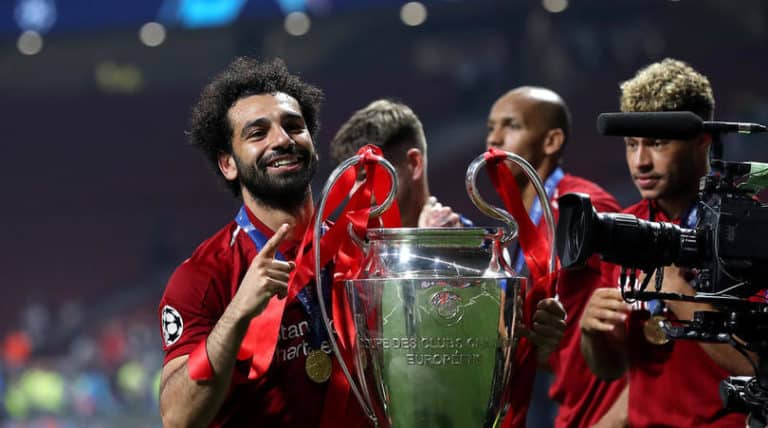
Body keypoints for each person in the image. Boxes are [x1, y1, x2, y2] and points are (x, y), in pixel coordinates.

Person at [157, 57, 365, 427]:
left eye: (293, 126)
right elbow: (177, 417)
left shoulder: (360, 250)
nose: (282, 140)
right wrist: (237, 314)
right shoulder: (203, 277)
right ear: (228, 164)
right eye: (257, 133)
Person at [580, 58, 754, 427]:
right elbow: (614, 370)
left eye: (656, 143)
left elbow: (755, 365)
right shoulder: (623, 228)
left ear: (702, 141)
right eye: (631, 144)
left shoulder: (748, 228)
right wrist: (592, 333)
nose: (640, 162)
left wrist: (677, 291)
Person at [485, 86, 625, 427]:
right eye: (491, 127)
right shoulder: (526, 218)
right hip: (556, 398)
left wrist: (616, 418)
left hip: (594, 408)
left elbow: (623, 323)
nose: (496, 139)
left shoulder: (583, 208)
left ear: (551, 142)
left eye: (512, 126)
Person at [329, 99, 468, 228]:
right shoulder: (347, 250)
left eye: (366, 176)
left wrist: (440, 247)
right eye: (351, 180)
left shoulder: (473, 245)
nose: (354, 193)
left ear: (414, 163)